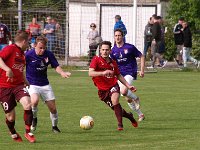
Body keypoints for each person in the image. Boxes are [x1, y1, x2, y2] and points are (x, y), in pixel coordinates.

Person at [25, 36, 71, 133]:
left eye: (44, 48)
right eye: (40, 48)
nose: (42, 50)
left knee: (53, 108)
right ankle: (34, 119)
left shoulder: (48, 54)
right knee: (34, 101)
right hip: (31, 83)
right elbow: (20, 65)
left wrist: (62, 72)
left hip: (45, 84)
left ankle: (54, 127)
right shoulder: (28, 55)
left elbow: (56, 66)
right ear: (34, 46)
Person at [89, 40, 138, 131]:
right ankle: (130, 116)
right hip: (102, 91)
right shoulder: (96, 60)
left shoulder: (113, 63)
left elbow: (118, 75)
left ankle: (120, 125)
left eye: (107, 50)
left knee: (115, 100)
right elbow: (90, 73)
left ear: (110, 51)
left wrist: (128, 85)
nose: (105, 51)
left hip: (113, 85)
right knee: (117, 109)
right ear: (100, 50)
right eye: (103, 49)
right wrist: (103, 73)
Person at [0, 30, 36, 143]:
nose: (28, 45)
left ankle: (28, 132)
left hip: (18, 85)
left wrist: (25, 80)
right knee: (11, 117)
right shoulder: (10, 49)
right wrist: (7, 69)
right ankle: (13, 132)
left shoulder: (22, 54)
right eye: (28, 42)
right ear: (24, 41)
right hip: (4, 87)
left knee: (28, 103)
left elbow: (20, 69)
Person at [110, 29, 145, 122]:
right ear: (114, 37)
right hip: (119, 75)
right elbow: (112, 64)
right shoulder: (113, 51)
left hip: (130, 72)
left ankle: (136, 98)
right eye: (116, 36)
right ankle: (140, 114)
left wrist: (142, 70)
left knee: (124, 91)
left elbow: (141, 56)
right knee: (127, 98)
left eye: (119, 35)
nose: (117, 37)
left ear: (122, 36)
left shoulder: (130, 47)